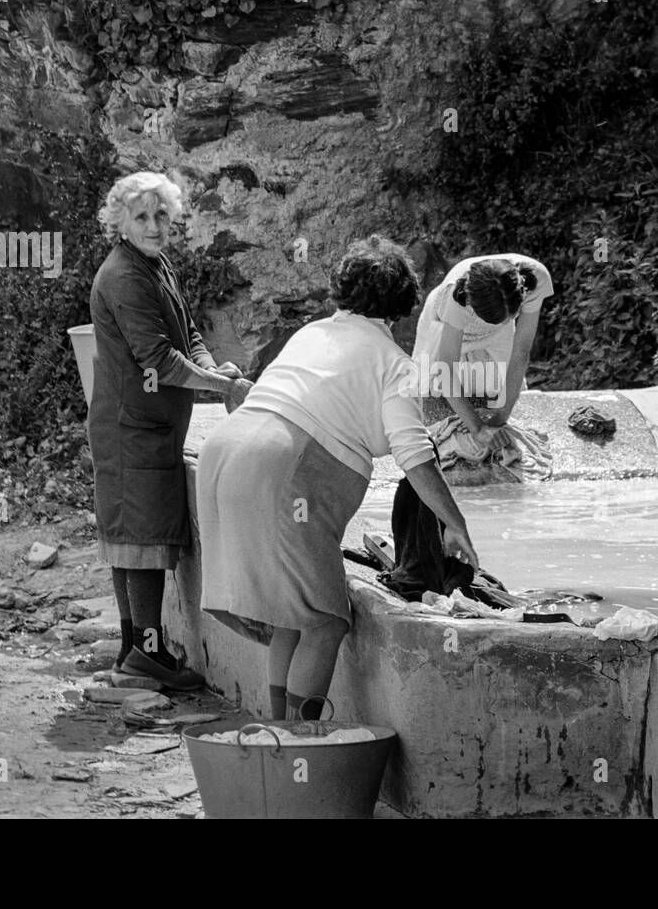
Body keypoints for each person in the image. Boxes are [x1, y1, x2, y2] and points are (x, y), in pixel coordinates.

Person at [196, 235, 479, 721]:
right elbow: (416, 456)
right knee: (326, 621)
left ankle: (279, 735)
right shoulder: (394, 364)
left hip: (223, 452)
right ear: (404, 306)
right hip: (283, 469)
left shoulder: (312, 332)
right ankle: (301, 745)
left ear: (343, 289)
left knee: (293, 613)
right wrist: (457, 526)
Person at [88, 171, 251, 690]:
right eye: (142, 217)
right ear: (120, 223)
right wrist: (221, 389)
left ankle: (135, 653)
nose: (155, 225)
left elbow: (188, 333)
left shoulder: (153, 263)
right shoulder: (123, 276)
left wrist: (215, 369)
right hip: (131, 426)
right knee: (141, 540)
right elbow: (158, 358)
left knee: (133, 537)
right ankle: (145, 656)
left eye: (162, 215)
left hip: (147, 423)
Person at [411, 253, 554, 441]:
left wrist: (499, 420)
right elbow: (446, 366)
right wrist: (476, 427)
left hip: (498, 324)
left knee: (498, 384)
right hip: (445, 320)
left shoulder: (536, 278)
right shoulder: (456, 295)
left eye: (512, 317)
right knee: (431, 390)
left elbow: (520, 352)